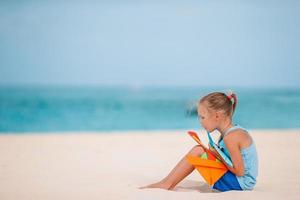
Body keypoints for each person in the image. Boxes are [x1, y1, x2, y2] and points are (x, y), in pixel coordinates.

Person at [139, 91, 258, 192]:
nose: (200, 122)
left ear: (217, 115)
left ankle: (166, 184)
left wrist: (217, 154)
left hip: (241, 184)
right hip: (237, 180)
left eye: (202, 117)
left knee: (198, 151)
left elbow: (240, 171)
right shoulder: (228, 134)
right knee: (199, 149)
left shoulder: (230, 137)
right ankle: (167, 183)